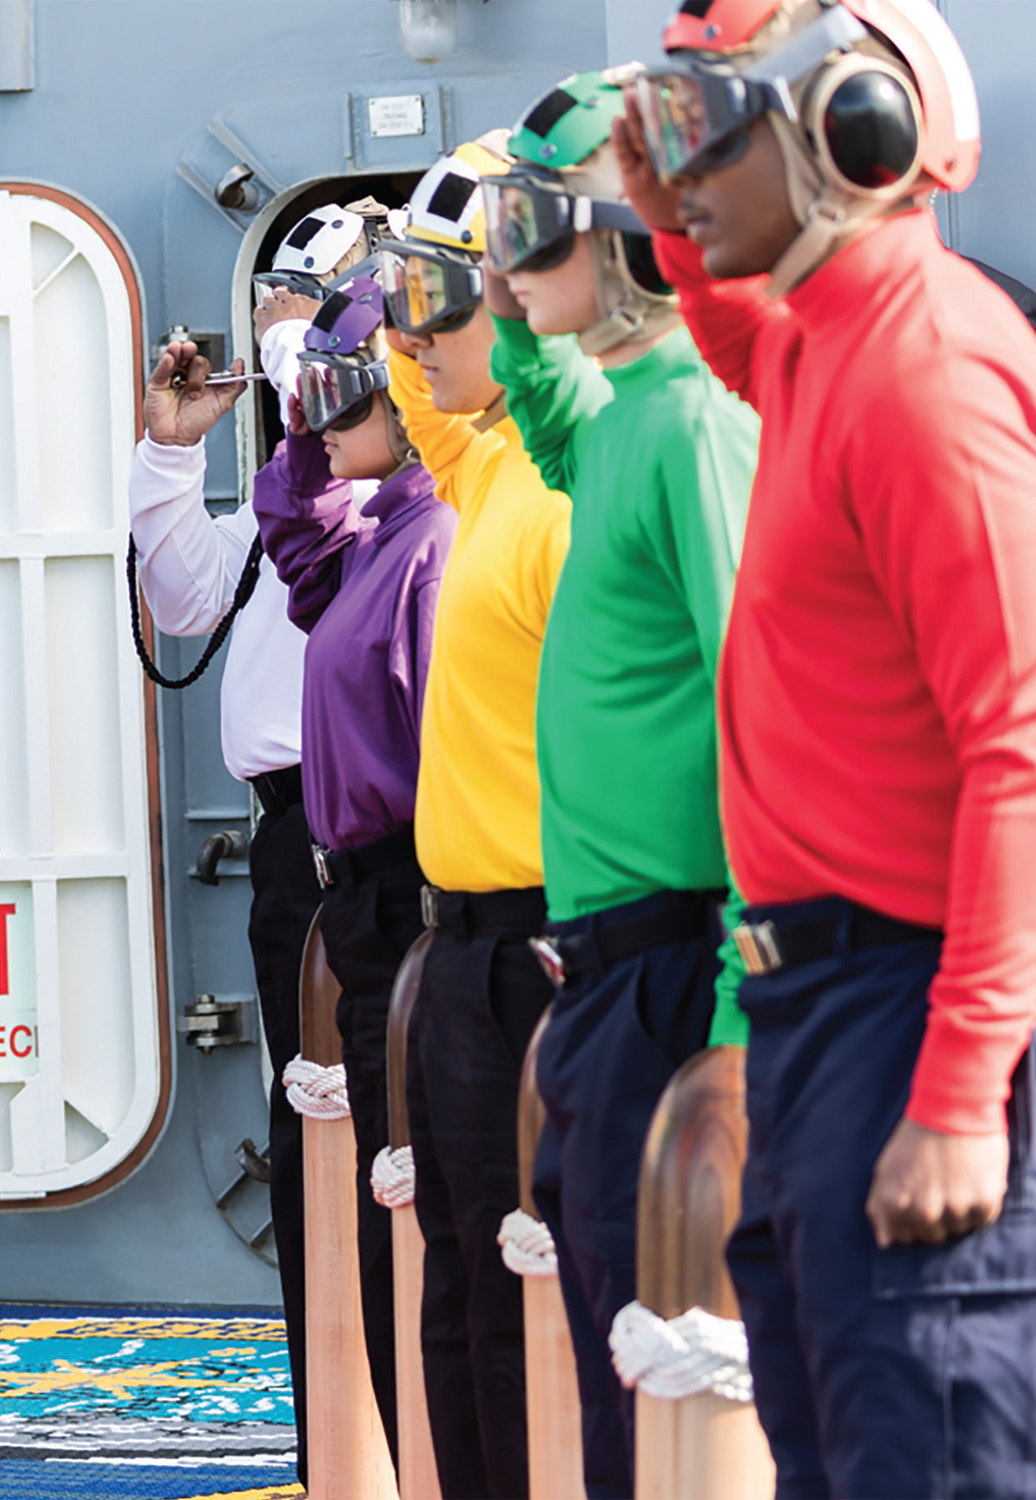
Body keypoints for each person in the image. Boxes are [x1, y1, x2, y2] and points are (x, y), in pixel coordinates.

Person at [623, 2, 1036, 1493]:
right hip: (834, 1008)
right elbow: (753, 348)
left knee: (941, 1444)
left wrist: (961, 1098)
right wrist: (675, 233)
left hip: (923, 1001)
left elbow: (1032, 747)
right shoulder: (836, 341)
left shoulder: (931, 375)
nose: (676, 164)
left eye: (707, 129)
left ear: (851, 130)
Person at [478, 68, 758, 1498]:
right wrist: (508, 257)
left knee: (653, 1394)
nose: (511, 261)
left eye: (539, 229)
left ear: (635, 239)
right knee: (605, 1376)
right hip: (602, 976)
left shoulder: (698, 424)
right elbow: (536, 402)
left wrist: (734, 1014)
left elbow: (760, 707)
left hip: (674, 963)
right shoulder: (622, 416)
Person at [129, 202, 370, 1472]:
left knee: (402, 1140)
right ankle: (335, 1442)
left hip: (401, 837)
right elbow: (181, 598)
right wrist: (170, 458)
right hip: (300, 849)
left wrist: (295, 341)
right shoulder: (295, 494)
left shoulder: (418, 469)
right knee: (309, 1143)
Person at [377, 132, 573, 1499]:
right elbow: (421, 382)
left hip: (550, 951)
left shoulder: (566, 488)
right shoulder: (493, 463)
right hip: (461, 953)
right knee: (461, 1299)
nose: (412, 335)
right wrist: (425, 243)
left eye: (447, 302)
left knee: (534, 1314)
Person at [250, 271, 455, 1466]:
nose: (321, 411)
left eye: (345, 389)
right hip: (365, 906)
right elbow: (297, 540)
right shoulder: (387, 529)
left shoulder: (434, 542)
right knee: (382, 1219)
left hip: (417, 901)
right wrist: (305, 429)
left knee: (417, 1225)